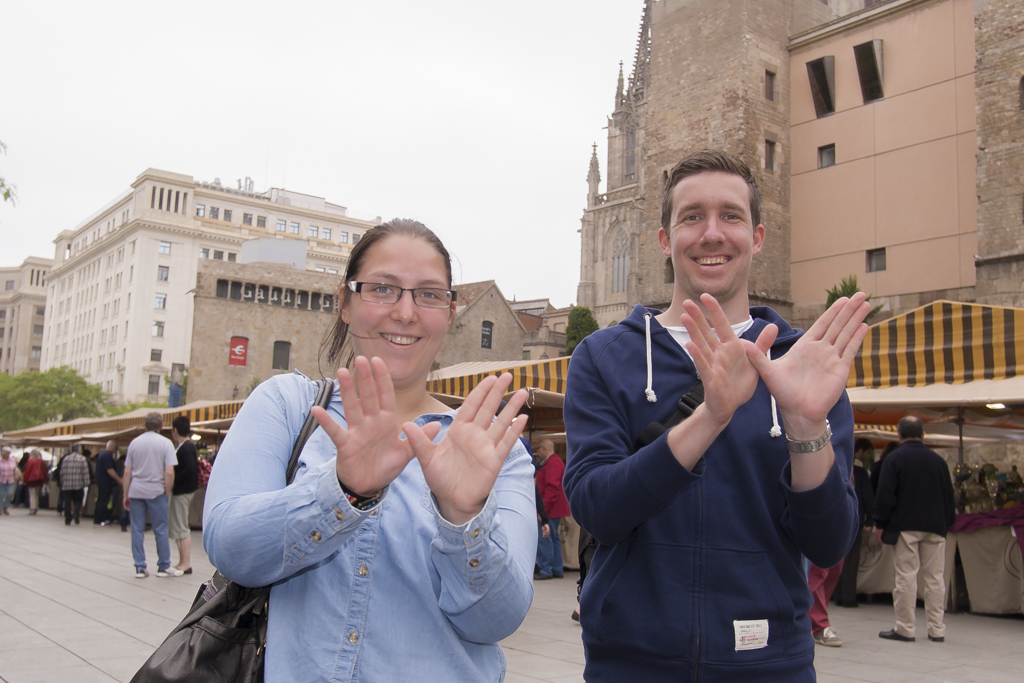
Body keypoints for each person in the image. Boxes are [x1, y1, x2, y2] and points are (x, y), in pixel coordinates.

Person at [563, 150, 870, 682]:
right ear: (664, 239)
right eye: (691, 217)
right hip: (630, 664)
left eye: (731, 216)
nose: (712, 233)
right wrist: (711, 415)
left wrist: (803, 428)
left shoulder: (801, 364)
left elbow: (829, 544)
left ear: (756, 238)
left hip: (771, 663)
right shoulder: (603, 355)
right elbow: (597, 510)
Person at [204, 219, 536, 682]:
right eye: (382, 288)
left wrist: (464, 518)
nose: (405, 312)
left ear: (450, 312)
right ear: (345, 302)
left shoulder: (493, 450)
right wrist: (342, 491)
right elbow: (230, 546)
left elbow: (495, 622)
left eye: (428, 293)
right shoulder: (287, 406)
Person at [873, 416, 957, 643]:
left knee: (906, 577)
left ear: (899, 435)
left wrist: (879, 524)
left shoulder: (894, 459)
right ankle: (937, 628)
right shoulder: (938, 461)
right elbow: (949, 497)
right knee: (935, 578)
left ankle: (905, 627)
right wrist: (948, 522)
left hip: (906, 526)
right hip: (936, 526)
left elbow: (885, 496)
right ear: (923, 435)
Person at [124, 413, 182, 578]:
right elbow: (169, 472)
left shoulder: (134, 443)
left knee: (137, 529)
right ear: (162, 425)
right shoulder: (166, 443)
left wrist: (125, 494)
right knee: (161, 529)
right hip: (156, 490)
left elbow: (127, 472)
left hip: (136, 490)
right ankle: (163, 565)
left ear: (144, 425)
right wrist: (167, 490)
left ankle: (140, 567)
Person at [835, 437, 875, 608]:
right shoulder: (860, 473)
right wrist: (870, 519)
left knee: (837, 559)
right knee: (851, 560)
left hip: (837, 519)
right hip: (854, 519)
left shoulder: (836, 467)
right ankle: (848, 596)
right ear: (858, 451)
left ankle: (835, 594)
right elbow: (868, 498)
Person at [534, 438, 570, 580]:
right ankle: (556, 569)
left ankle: (546, 569)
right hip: (555, 508)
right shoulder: (555, 462)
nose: (537, 453)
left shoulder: (552, 464)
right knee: (553, 538)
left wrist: (543, 511)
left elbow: (552, 489)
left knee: (545, 537)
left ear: (544, 448)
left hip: (550, 509)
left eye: (538, 449)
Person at [169, 416, 199, 574]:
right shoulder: (187, 446)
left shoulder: (185, 447)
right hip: (184, 490)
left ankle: (185, 562)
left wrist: (174, 480)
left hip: (182, 491)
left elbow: (189, 469)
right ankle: (182, 561)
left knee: (181, 526)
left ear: (175, 430)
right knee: (179, 526)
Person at [93, 440, 122, 527]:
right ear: (112, 446)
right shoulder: (107, 456)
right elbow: (109, 469)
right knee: (103, 500)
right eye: (115, 447)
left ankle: (100, 518)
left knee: (102, 499)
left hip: (101, 481)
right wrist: (118, 479)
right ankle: (100, 519)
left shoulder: (102, 454)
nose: (116, 449)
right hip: (105, 482)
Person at [59, 444, 89, 525]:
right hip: (78, 484)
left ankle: (67, 519)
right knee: (78, 500)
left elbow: (62, 472)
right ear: (79, 450)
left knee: (67, 501)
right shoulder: (82, 459)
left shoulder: (66, 459)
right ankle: (76, 512)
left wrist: (62, 482)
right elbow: (85, 472)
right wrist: (86, 482)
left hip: (67, 484)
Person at [22, 450, 49, 515]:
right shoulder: (42, 462)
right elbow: (44, 471)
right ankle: (36, 507)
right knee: (37, 494)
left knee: (32, 495)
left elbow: (27, 471)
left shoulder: (30, 461)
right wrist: (45, 481)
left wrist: (25, 480)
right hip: (39, 480)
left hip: (31, 479)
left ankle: (32, 508)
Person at [0, 447, 20, 515]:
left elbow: (15, 468)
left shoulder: (12, 460)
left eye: (9, 453)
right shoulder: (0, 460)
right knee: (1, 494)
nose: (8, 454)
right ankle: (0, 508)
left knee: (9, 494)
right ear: (3, 453)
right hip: (1, 480)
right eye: (7, 453)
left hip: (10, 480)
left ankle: (6, 507)